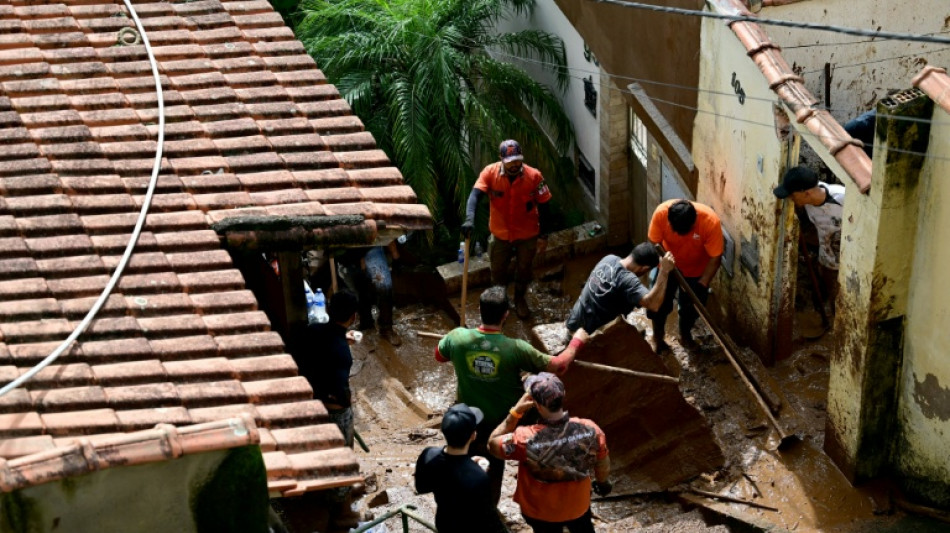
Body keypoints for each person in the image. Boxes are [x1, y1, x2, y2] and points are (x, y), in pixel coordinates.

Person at [435, 286, 577, 504]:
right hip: (503, 422)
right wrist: (578, 341)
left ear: (479, 309)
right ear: (506, 315)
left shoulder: (457, 337)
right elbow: (558, 366)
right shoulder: (516, 348)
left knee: (465, 461)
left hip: (469, 419)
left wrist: (462, 349)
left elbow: (439, 356)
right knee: (493, 466)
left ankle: (463, 501)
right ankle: (490, 507)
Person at [488, 372, 610, 533]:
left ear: (535, 404)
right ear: (563, 395)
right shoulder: (590, 429)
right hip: (578, 506)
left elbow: (492, 444)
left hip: (540, 512)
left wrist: (515, 412)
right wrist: (603, 483)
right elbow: (602, 462)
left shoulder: (524, 438)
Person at [462, 139, 552, 319]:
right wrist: (469, 219)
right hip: (500, 233)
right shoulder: (490, 173)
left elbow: (545, 206)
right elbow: (475, 196)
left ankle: (520, 299)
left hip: (527, 234)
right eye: (510, 161)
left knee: (524, 269)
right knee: (497, 270)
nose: (514, 165)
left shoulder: (534, 177)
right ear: (501, 159)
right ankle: (499, 303)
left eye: (518, 161)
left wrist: (544, 236)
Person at [561, 243, 676, 356]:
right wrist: (664, 271)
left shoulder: (609, 258)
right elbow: (654, 304)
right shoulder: (627, 280)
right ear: (644, 268)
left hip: (574, 323)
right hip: (584, 338)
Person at [414, 404, 509, 533]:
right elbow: (489, 519)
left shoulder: (428, 455)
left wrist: (469, 465)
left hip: (444, 523)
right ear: (473, 435)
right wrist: (476, 469)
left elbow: (421, 487)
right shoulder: (479, 477)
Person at [647, 199, 724, 352]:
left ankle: (685, 335)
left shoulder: (710, 222)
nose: (677, 235)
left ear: (693, 224)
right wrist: (664, 266)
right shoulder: (661, 213)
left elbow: (716, 257)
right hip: (667, 266)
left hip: (696, 271)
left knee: (691, 308)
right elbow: (653, 242)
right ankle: (657, 337)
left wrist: (703, 282)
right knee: (657, 304)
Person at [297, 290, 360, 447]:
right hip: (334, 413)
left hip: (310, 407)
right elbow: (339, 390)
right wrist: (347, 401)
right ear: (353, 317)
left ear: (327, 310)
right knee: (343, 462)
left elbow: (325, 338)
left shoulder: (311, 330)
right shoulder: (342, 354)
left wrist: (343, 339)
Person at [773, 165, 845, 300]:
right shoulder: (807, 202)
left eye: (792, 195)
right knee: (830, 296)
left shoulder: (843, 199)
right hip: (827, 261)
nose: (790, 199)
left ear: (807, 193)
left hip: (848, 264)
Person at [336, 243, 402, 346]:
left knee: (384, 286)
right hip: (346, 251)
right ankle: (366, 323)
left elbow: (387, 232)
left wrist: (395, 255)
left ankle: (386, 327)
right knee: (358, 289)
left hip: (370, 246)